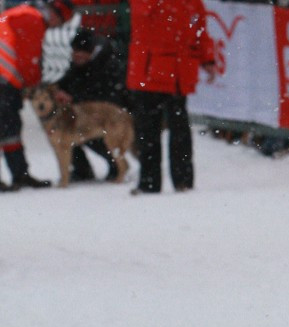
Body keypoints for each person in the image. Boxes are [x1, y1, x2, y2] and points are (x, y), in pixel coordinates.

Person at [126, 0, 216, 194]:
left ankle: (177, 182)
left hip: (173, 72)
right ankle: (154, 182)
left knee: (177, 129)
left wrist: (207, 57)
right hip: (153, 72)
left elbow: (199, 30)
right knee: (153, 130)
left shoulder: (192, 4)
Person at [0, 0, 74, 191]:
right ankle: (19, 174)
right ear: (55, 14)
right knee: (9, 127)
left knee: (9, 128)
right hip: (4, 79)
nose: (60, 26)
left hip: (6, 80)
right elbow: (29, 61)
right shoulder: (33, 20)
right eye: (63, 21)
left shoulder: (24, 14)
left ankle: (20, 174)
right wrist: (43, 88)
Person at [55, 26, 130, 182]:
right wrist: (58, 91)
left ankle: (116, 167)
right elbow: (66, 82)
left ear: (90, 52)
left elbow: (106, 94)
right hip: (92, 119)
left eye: (80, 53)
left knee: (108, 142)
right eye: (75, 52)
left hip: (110, 118)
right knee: (69, 132)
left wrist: (73, 97)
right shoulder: (78, 66)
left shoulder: (108, 66)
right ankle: (83, 170)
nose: (76, 56)